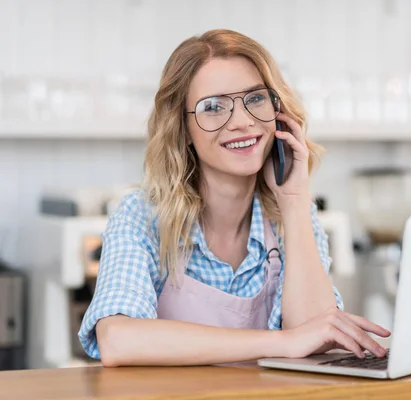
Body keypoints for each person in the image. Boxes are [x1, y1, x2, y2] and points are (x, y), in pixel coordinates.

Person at [78, 29, 390, 367]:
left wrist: (296, 199)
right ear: (182, 130)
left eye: (256, 98)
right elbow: (118, 340)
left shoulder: (292, 217)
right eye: (213, 107)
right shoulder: (143, 216)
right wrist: (282, 341)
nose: (242, 122)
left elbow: (316, 340)